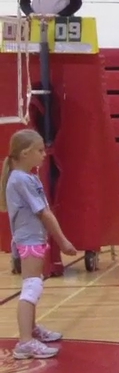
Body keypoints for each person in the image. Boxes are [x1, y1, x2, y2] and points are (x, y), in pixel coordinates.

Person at [1, 129, 75, 359]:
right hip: (29, 240)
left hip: (33, 238)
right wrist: (62, 241)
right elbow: (44, 213)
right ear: (25, 153)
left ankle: (31, 330)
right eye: (40, 150)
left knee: (32, 284)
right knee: (32, 287)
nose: (45, 154)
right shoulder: (21, 179)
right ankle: (25, 341)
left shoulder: (25, 177)